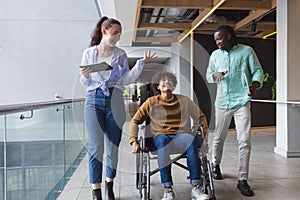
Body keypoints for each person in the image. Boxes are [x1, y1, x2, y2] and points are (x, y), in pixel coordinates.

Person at [79, 16, 157, 200]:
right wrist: (83, 75)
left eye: (119, 34)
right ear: (104, 31)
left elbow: (126, 80)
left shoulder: (120, 54)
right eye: (114, 33)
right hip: (93, 100)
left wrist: (140, 64)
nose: (117, 37)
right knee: (96, 148)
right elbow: (86, 82)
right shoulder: (89, 53)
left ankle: (109, 185)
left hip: (115, 100)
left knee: (113, 146)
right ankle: (96, 191)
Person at [130, 71, 210, 200]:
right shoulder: (151, 102)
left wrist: (205, 138)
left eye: (169, 81)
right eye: (163, 81)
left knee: (190, 139)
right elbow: (135, 121)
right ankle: (168, 190)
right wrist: (134, 141)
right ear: (158, 87)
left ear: (173, 86)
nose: (167, 82)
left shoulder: (184, 100)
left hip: (182, 136)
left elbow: (200, 117)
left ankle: (196, 188)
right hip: (160, 137)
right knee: (162, 141)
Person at [206, 25, 264, 197]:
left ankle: (242, 179)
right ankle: (215, 164)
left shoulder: (247, 51)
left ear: (229, 36)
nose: (217, 42)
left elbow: (258, 71)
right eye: (216, 39)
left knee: (244, 140)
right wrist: (216, 76)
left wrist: (254, 85)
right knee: (218, 138)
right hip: (222, 102)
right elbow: (209, 75)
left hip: (242, 101)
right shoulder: (215, 55)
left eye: (220, 38)